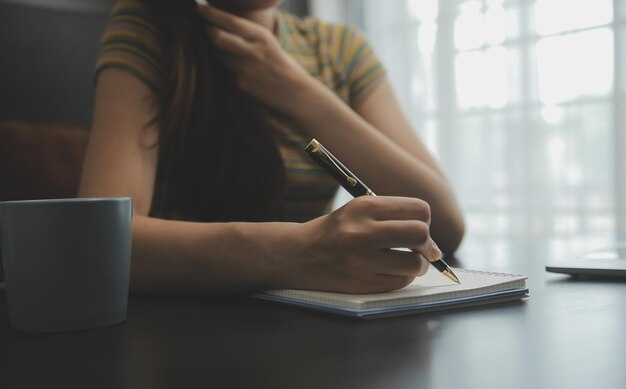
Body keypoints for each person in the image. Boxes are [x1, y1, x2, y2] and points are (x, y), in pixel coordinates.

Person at [79, 0, 465, 294]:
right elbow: (103, 237)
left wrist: (298, 92)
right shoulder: (150, 26)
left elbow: (444, 223)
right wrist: (301, 252)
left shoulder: (341, 50)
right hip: (181, 328)